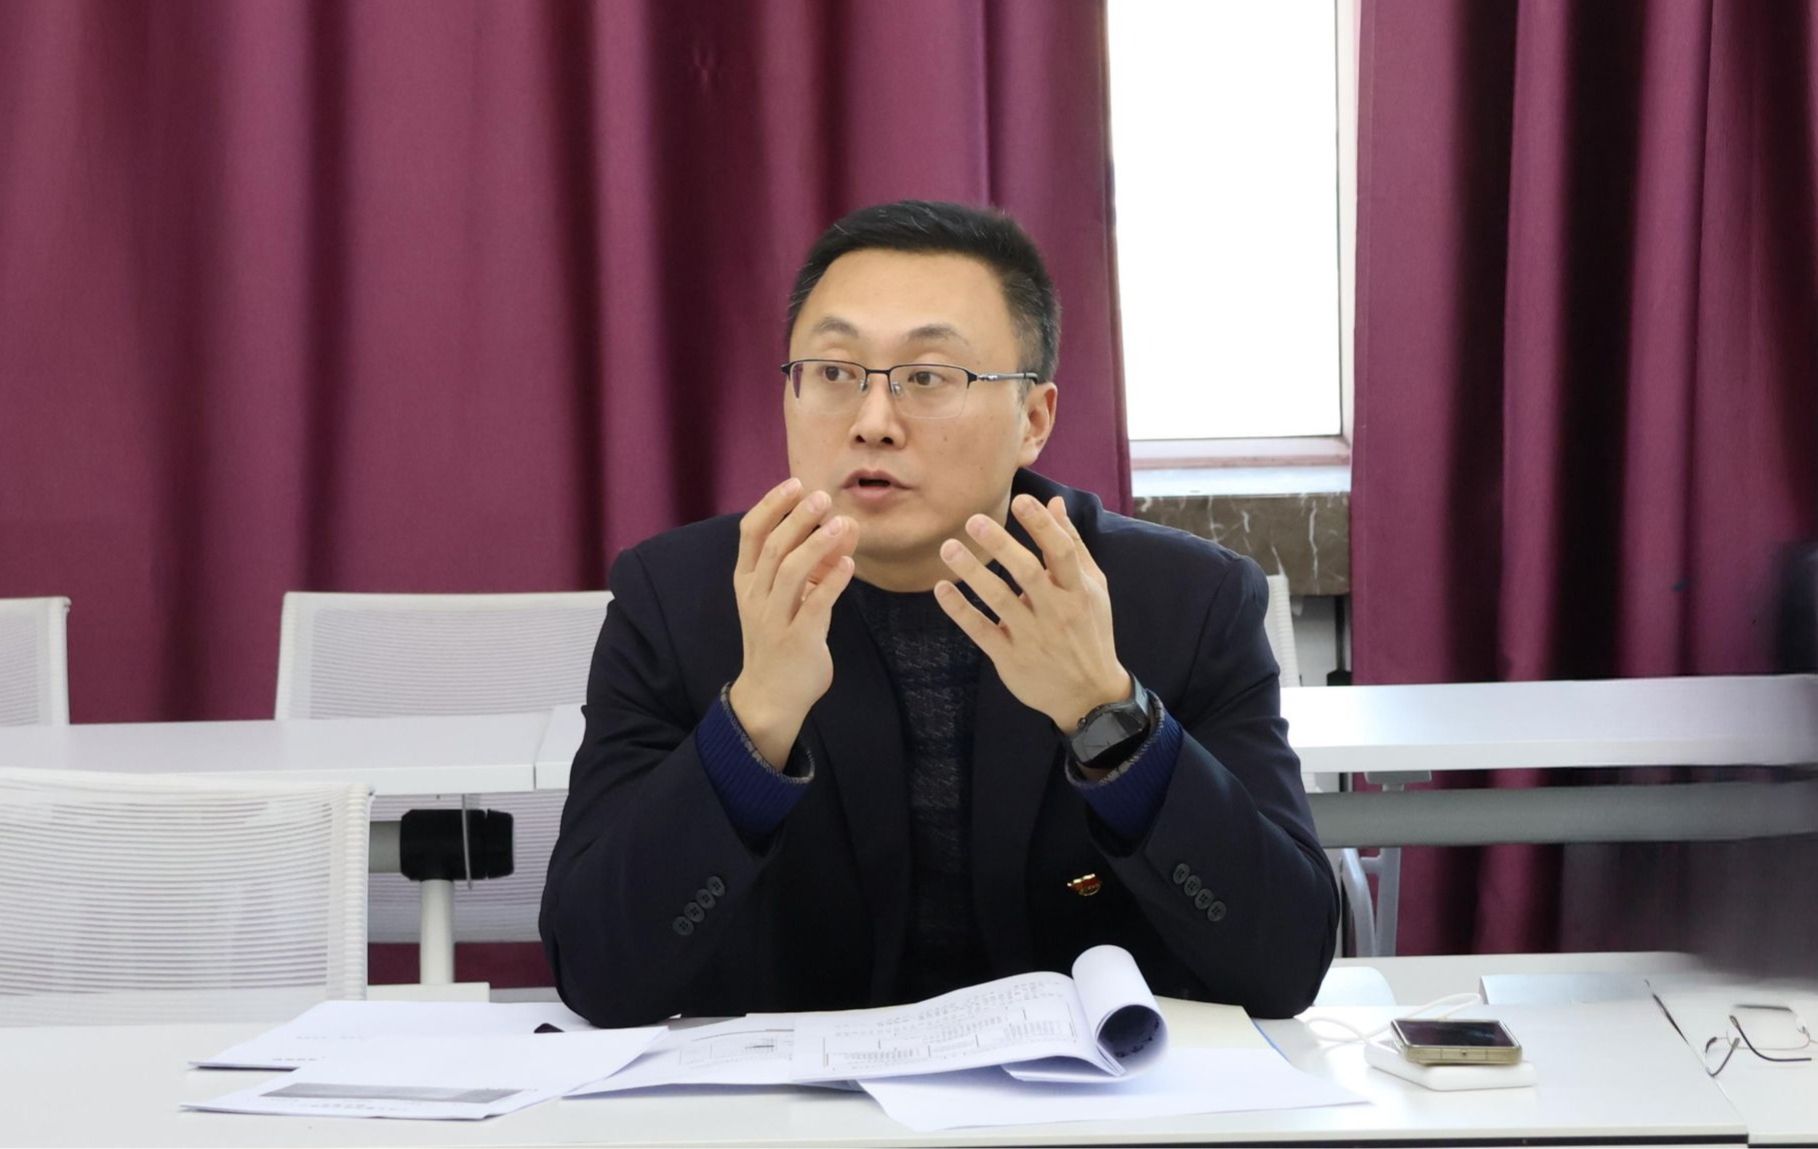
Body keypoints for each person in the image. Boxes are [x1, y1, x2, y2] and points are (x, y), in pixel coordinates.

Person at [541, 200, 1337, 1026]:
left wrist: (1108, 716)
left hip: (1094, 1094)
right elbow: (597, 971)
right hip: (789, 1098)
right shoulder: (679, 600)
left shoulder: (1185, 603)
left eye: (926, 378)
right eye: (835, 373)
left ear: (1034, 419)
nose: (872, 423)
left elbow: (1285, 963)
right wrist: (757, 717)